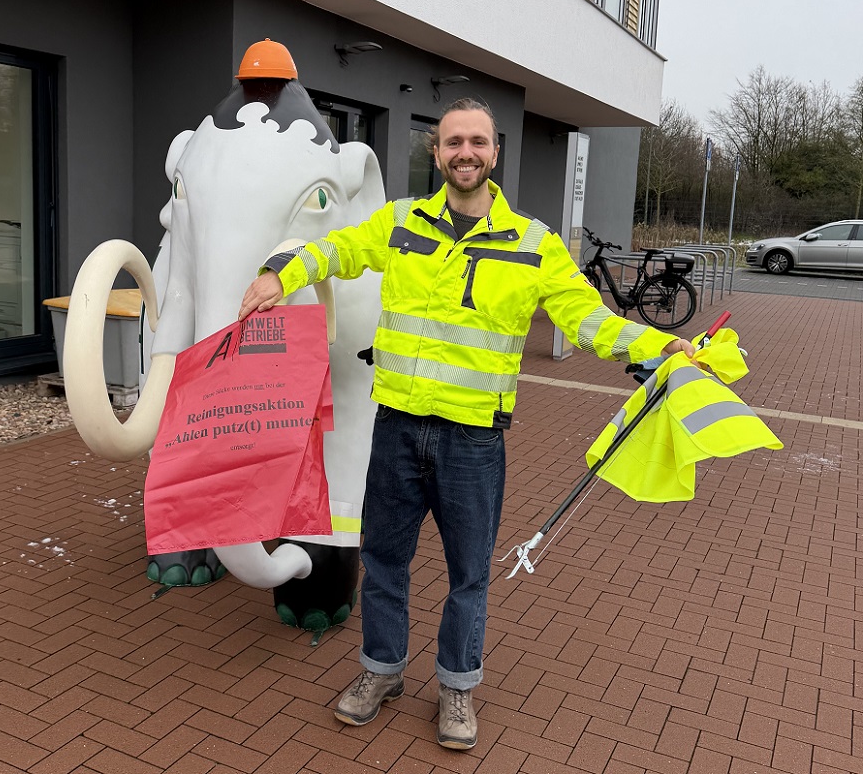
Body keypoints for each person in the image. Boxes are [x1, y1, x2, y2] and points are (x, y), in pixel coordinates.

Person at [239, 98, 694, 750]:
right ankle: (381, 672)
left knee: (468, 573)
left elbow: (587, 321)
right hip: (395, 426)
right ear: (436, 151)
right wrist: (280, 271)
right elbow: (337, 250)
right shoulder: (398, 223)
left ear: (495, 152)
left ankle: (456, 687)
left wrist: (657, 344)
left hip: (473, 440)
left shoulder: (533, 244)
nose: (465, 152)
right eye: (453, 141)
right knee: (385, 561)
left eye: (477, 141)